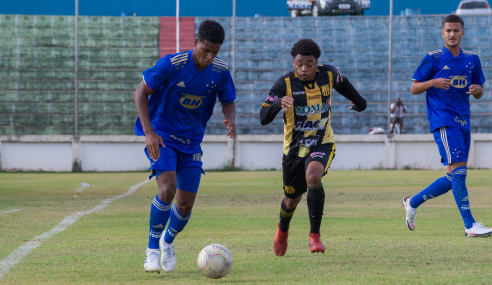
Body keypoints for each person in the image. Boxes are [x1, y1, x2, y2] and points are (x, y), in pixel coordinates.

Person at [134, 20, 236, 273]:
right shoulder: (172, 64)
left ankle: (167, 242)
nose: (210, 56)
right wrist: (149, 132)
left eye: (215, 52)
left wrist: (230, 119)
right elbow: (140, 93)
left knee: (185, 204)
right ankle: (152, 250)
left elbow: (228, 99)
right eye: (206, 50)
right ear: (195, 43)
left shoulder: (221, 70)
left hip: (192, 141)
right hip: (163, 136)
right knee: (167, 189)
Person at [260, 39, 367, 256]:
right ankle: (282, 229)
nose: (304, 69)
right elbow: (263, 117)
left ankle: (314, 236)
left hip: (322, 142)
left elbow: (343, 84)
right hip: (293, 151)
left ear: (316, 63)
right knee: (291, 200)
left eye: (309, 64)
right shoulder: (284, 85)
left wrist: (360, 103)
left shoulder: (327, 75)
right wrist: (276, 104)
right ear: (293, 63)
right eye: (300, 64)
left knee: (314, 176)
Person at [403, 15, 491, 237]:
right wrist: (433, 82)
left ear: (463, 33)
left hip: (463, 121)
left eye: (456, 30)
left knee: (453, 176)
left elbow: (480, 90)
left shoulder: (472, 59)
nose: (452, 34)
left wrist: (478, 90)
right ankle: (470, 225)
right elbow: (414, 88)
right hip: (443, 120)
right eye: (448, 31)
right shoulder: (432, 58)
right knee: (460, 171)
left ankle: (412, 203)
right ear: (442, 33)